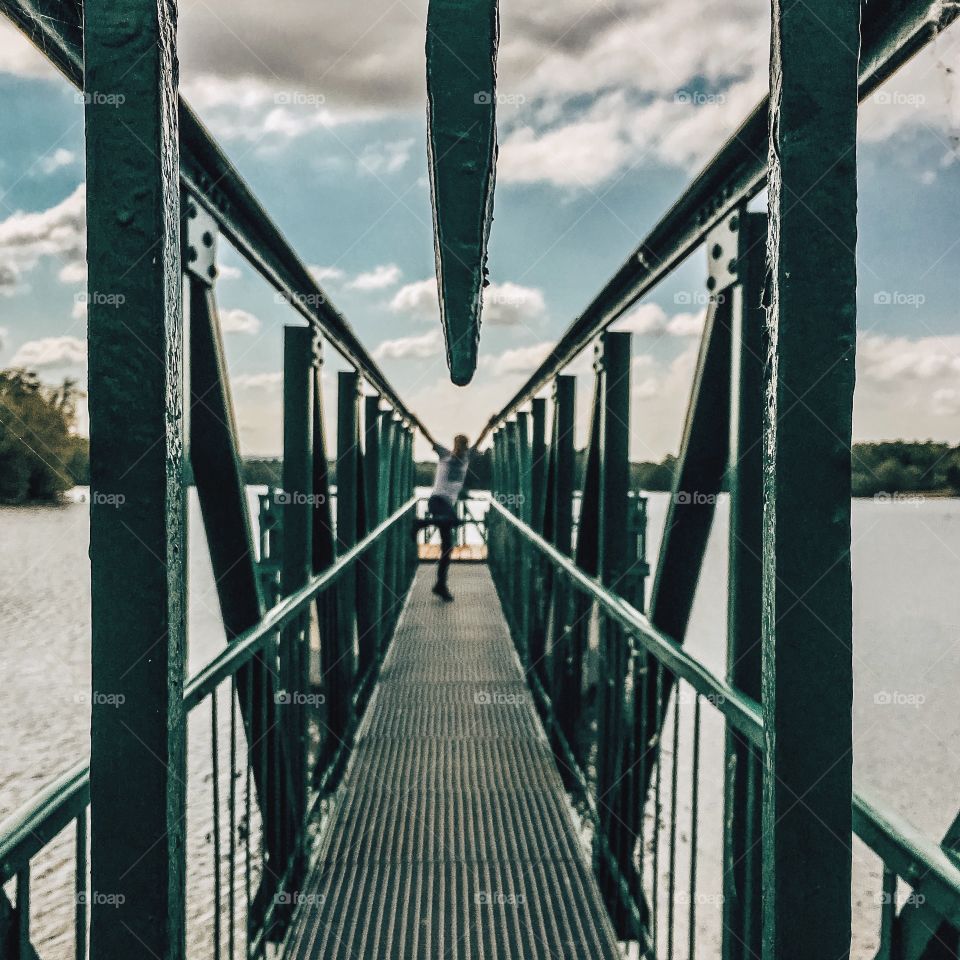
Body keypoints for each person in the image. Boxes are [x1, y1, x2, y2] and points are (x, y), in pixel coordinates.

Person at [415, 434, 473, 601]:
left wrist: (489, 426)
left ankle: (440, 585)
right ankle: (421, 523)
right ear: (455, 445)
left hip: (446, 507)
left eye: (464, 446)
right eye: (460, 445)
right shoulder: (444, 454)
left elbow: (481, 440)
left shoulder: (466, 458)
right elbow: (427, 436)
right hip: (437, 501)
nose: (462, 449)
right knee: (454, 520)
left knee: (447, 548)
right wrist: (415, 419)